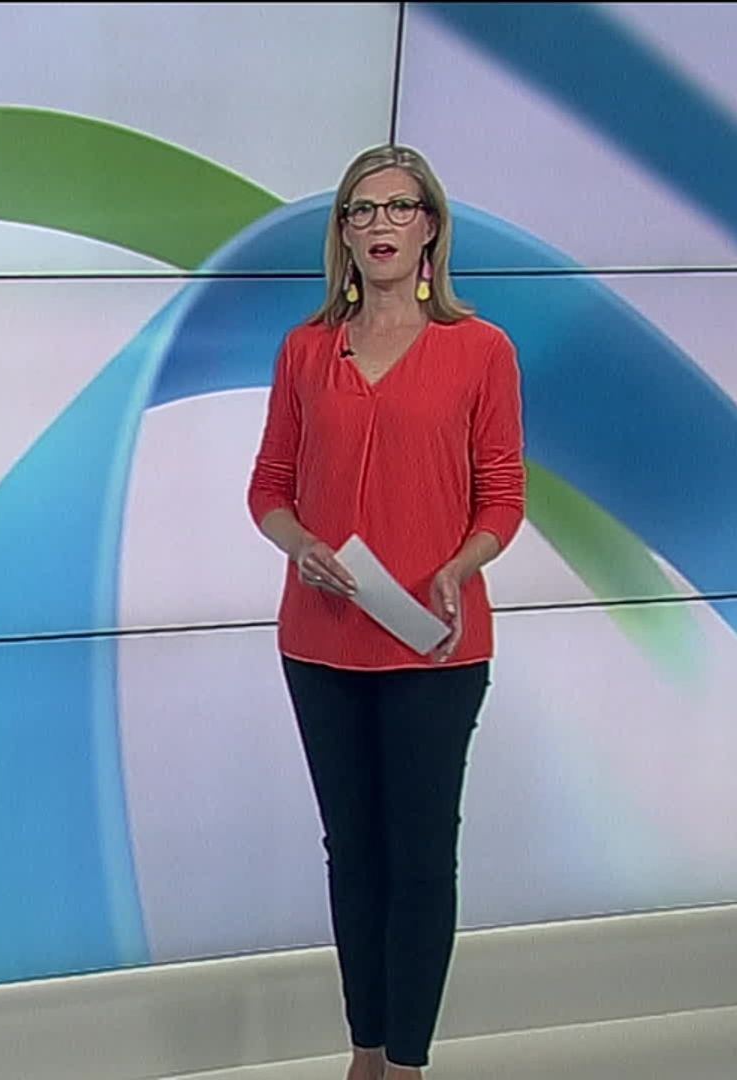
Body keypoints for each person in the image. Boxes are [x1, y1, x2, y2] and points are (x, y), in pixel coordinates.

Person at [246, 144, 526, 1080]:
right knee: (353, 856)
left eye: (399, 208)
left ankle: (408, 1061)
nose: (379, 225)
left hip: (434, 649)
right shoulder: (306, 350)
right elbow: (269, 486)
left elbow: (502, 497)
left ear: (430, 227)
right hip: (320, 643)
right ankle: (364, 1052)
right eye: (361, 210)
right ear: (344, 232)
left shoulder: (481, 351)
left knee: (420, 859)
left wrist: (462, 565)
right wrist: (299, 544)